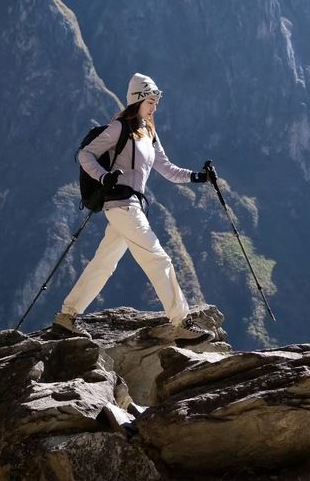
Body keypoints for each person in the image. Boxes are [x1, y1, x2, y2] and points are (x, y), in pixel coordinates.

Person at [54, 73, 210, 339]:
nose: (155, 106)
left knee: (104, 262)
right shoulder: (120, 128)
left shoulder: (149, 132)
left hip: (130, 206)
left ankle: (67, 316)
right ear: (137, 100)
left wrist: (198, 176)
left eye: (156, 101)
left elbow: (168, 169)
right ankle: (181, 321)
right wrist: (103, 176)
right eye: (151, 101)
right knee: (158, 257)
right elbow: (85, 154)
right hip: (122, 205)